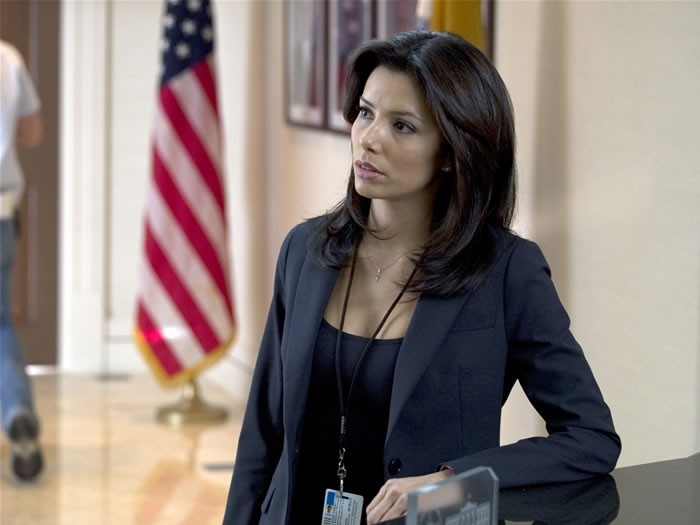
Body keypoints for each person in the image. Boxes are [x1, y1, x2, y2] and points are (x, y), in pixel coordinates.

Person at [223, 31, 621, 525]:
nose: (369, 139)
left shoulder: (507, 271)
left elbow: (589, 437)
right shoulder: (305, 250)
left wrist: (454, 479)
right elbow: (263, 434)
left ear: (452, 151)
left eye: (403, 126)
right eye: (365, 113)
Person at [0, 39, 44, 481]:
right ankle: (17, 414)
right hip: (1, 211)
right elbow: (32, 133)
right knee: (1, 326)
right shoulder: (8, 58)